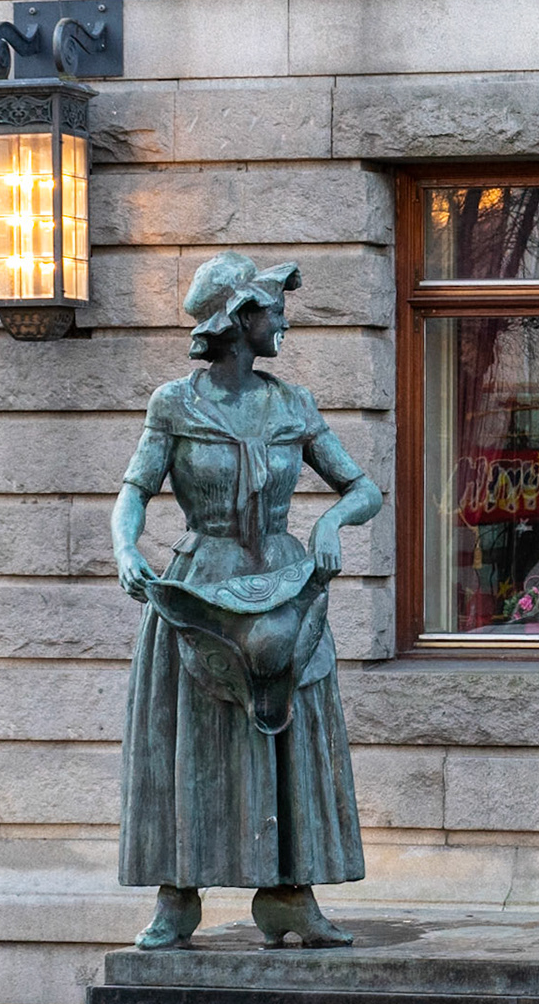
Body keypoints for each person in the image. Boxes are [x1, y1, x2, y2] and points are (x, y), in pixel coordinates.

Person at [111, 252, 382, 949]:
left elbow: (363, 488)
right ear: (237, 321)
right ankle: (178, 896)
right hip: (200, 586)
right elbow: (135, 492)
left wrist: (328, 522)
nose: (284, 321)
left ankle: (291, 894)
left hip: (286, 584)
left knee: (286, 733)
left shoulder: (292, 403)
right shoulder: (174, 403)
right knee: (191, 742)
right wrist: (125, 549)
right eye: (272, 310)